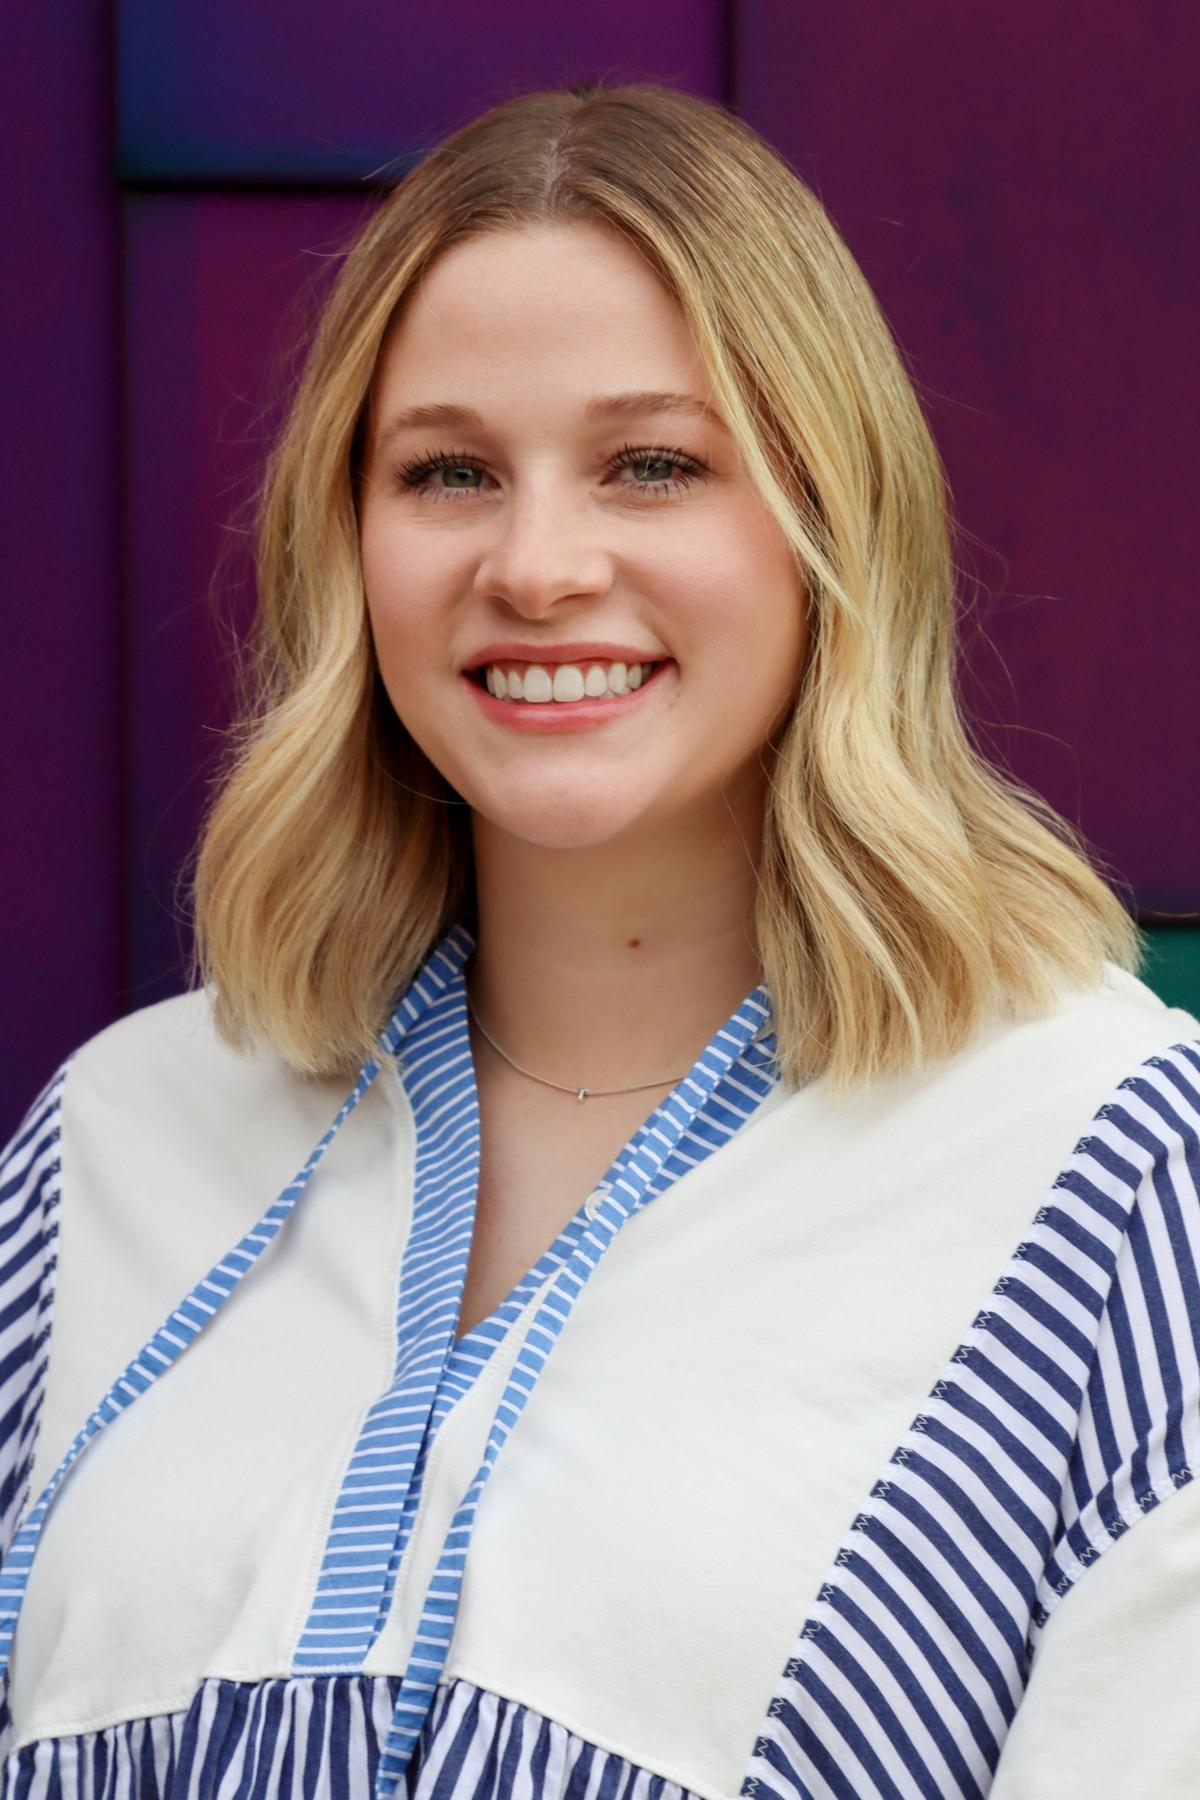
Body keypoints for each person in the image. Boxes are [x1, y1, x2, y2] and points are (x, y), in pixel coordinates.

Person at [1, 81, 1197, 1800]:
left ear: (824, 518)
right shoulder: (113, 1145)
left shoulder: (1114, 1176)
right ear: (348, 541)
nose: (537, 564)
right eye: (447, 472)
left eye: (654, 465)